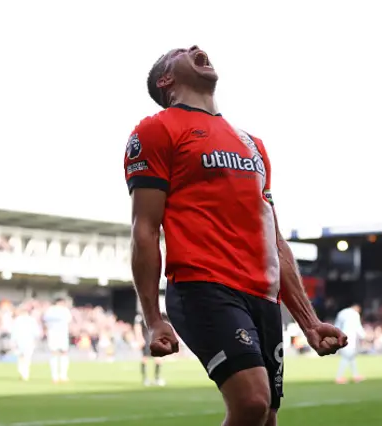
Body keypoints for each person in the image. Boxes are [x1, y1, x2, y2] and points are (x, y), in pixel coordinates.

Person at [124, 45, 347, 426]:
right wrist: (153, 318)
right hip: (203, 287)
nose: (196, 48)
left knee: (267, 416)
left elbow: (274, 240)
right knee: (252, 403)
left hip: (262, 296)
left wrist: (309, 322)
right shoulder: (156, 130)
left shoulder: (252, 144)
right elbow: (144, 228)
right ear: (167, 80)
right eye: (182, 51)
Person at [333, 303, 366, 384]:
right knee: (347, 357)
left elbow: (337, 325)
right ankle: (339, 377)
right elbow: (357, 326)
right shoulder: (355, 314)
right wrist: (364, 336)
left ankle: (356, 375)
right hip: (350, 337)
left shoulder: (341, 313)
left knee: (351, 357)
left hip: (341, 336)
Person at [43, 296, 72, 383]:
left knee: (56, 354)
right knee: (62, 354)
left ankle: (56, 376)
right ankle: (61, 376)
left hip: (54, 334)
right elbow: (69, 320)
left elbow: (45, 321)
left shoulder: (49, 311)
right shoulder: (64, 310)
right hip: (59, 334)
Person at [135, 310, 165, 386]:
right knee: (145, 358)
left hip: (155, 339)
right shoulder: (140, 316)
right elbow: (137, 327)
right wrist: (139, 338)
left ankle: (157, 378)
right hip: (146, 340)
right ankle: (145, 379)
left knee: (158, 359)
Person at [11, 305, 41, 381]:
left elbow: (14, 332)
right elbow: (37, 332)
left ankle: (23, 373)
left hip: (23, 341)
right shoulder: (30, 320)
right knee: (25, 358)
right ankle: (24, 373)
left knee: (22, 358)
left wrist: (13, 341)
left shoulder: (20, 320)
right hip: (27, 341)